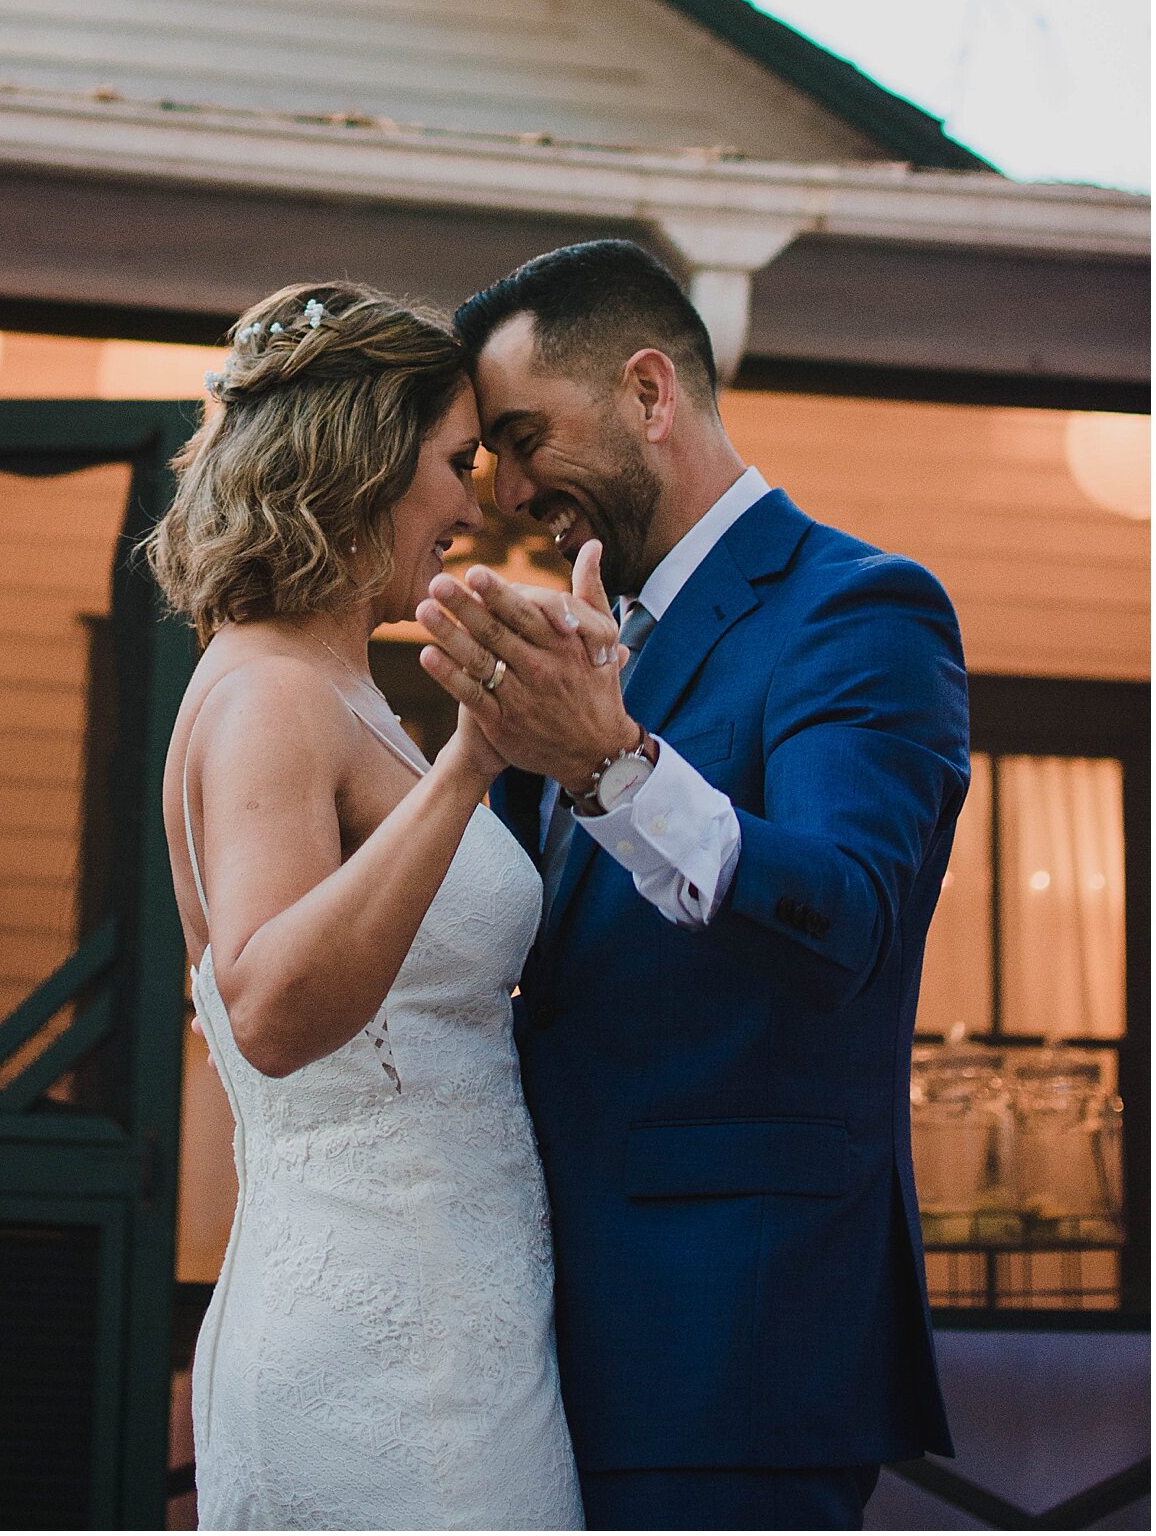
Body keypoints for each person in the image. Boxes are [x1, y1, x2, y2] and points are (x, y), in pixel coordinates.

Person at [416, 238, 971, 1534]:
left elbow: (849, 916)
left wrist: (611, 765)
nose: (507, 488)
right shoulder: (602, 641)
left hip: (731, 1339)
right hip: (549, 1338)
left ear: (651, 395)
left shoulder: (860, 610)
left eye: (522, 436)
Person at [149, 282, 583, 1533]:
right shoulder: (271, 694)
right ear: (363, 460)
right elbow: (273, 1008)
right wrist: (470, 762)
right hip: (383, 1348)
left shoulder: (342, 688)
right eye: (457, 461)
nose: (479, 501)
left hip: (463, 1325)